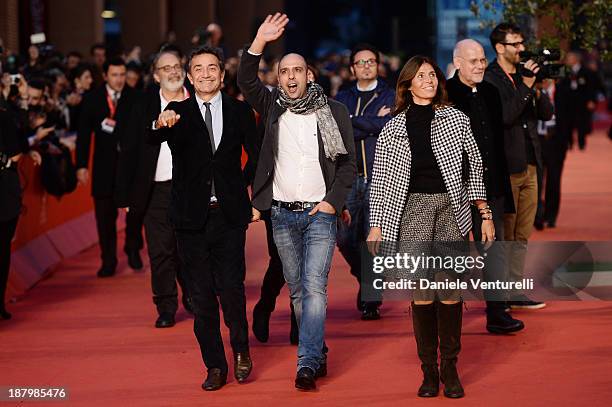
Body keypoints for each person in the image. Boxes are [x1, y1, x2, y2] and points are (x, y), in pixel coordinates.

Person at [238, 13, 356, 391]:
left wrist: (332, 203)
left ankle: (305, 362)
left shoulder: (334, 112)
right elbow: (244, 79)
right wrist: (259, 40)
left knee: (315, 288)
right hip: (282, 215)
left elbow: (348, 163)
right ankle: (316, 349)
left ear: (310, 76)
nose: (289, 76)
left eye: (297, 70)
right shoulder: (272, 106)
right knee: (299, 292)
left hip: (319, 212)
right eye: (283, 71)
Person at [367, 55, 493, 398]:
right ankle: (429, 371)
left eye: (433, 75)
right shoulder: (393, 127)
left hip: (452, 209)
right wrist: (376, 224)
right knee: (422, 289)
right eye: (421, 76)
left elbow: (475, 167)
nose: (429, 80)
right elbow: (379, 179)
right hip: (413, 210)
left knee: (449, 287)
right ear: (407, 85)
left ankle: (450, 366)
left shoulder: (455, 119)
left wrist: (485, 213)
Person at [152, 46, 258, 391]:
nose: (206, 74)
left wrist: (240, 189)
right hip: (190, 218)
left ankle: (241, 349)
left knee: (232, 290)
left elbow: (257, 158)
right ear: (189, 75)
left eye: (212, 68)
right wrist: (160, 122)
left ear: (222, 75)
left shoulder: (241, 111)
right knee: (200, 296)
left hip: (228, 217)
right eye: (198, 69)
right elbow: (156, 135)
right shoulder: (176, 111)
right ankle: (214, 365)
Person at [446, 39, 524, 334]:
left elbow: (497, 140)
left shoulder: (490, 92)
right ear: (458, 62)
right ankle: (446, 312)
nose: (480, 65)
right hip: (456, 188)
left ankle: (497, 311)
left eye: (482, 60)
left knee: (495, 249)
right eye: (474, 61)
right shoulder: (445, 94)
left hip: (490, 187)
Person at [115, 49, 193, 328]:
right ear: (156, 75)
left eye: (177, 66)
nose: (173, 71)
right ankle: (166, 306)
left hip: (192, 189)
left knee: (188, 248)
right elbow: (129, 150)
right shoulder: (142, 104)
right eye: (166, 68)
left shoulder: (198, 100)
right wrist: (124, 194)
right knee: (160, 251)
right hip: (155, 190)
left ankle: (193, 294)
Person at [484, 23, 553, 309]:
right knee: (506, 232)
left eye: (523, 43)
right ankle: (502, 294)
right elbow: (506, 116)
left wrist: (537, 86)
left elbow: (546, 114)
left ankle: (514, 290)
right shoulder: (490, 78)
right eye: (516, 44)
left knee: (523, 233)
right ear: (500, 48)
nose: (522, 49)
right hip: (507, 166)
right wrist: (525, 85)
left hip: (531, 163)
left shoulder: (525, 76)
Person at [335, 43, 395, 320]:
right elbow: (338, 131)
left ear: (378, 65)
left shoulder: (390, 95)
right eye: (360, 62)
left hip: (379, 178)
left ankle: (371, 296)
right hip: (348, 179)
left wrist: (354, 122)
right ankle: (367, 278)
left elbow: (388, 127)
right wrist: (371, 123)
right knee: (346, 239)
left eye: (371, 61)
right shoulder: (342, 97)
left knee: (374, 240)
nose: (366, 66)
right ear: (352, 69)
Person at [76, 57, 144, 277]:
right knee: (104, 218)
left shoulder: (136, 97)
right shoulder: (93, 98)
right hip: (103, 168)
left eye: (122, 75)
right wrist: (81, 165)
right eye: (114, 75)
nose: (119, 79)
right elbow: (84, 135)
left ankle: (133, 249)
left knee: (134, 214)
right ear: (105, 76)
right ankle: (108, 260)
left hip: (131, 168)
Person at [0, 107, 24, 320]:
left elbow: (17, 153)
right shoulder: (5, 115)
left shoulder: (5, 115)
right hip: (6, 191)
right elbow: (17, 154)